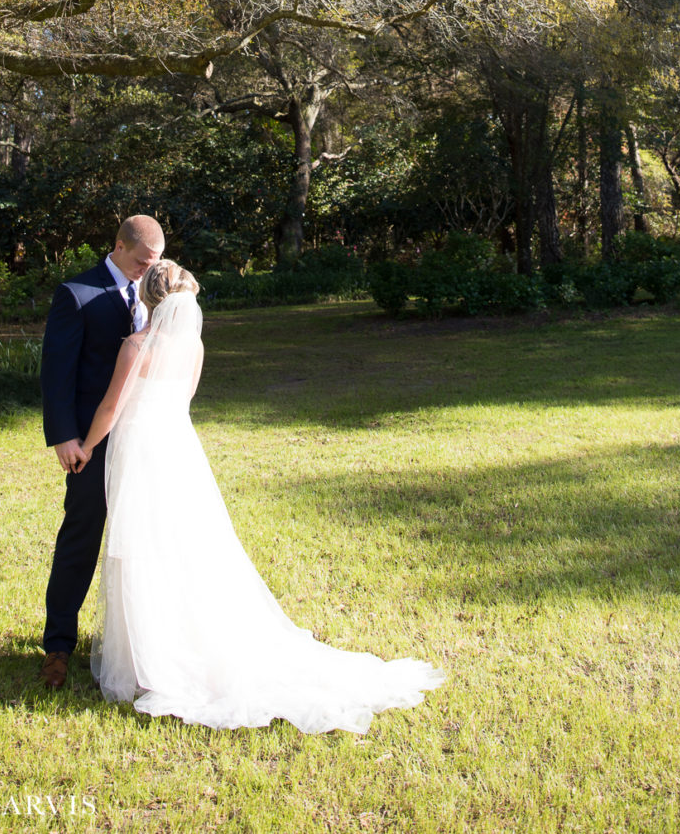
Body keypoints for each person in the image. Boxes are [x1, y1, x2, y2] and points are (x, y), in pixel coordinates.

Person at [79, 257, 445, 733]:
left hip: (141, 446)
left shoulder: (136, 346)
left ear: (148, 298)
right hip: (178, 446)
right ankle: (167, 646)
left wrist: (87, 446)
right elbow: (183, 399)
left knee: (144, 543)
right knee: (184, 545)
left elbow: (112, 404)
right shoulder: (193, 346)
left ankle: (155, 658)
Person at [38, 214, 165, 690]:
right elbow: (56, 372)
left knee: (145, 543)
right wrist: (64, 436)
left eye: (153, 264)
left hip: (143, 442)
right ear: (118, 246)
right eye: (140, 261)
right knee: (81, 538)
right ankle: (57, 647)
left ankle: (143, 648)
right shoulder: (77, 293)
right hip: (91, 445)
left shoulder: (158, 295)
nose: (145, 272)